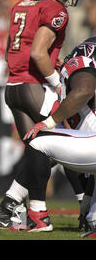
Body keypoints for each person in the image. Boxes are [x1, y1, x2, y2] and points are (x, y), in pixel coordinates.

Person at [0, 0, 83, 229]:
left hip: (14, 86)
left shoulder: (22, 5)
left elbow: (17, 49)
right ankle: (86, 210)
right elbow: (38, 53)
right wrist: (56, 83)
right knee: (67, 141)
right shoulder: (55, 10)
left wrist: (54, 62)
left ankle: (10, 207)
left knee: (37, 151)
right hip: (34, 87)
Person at [12, 37, 96, 236]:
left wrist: (48, 122)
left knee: (38, 140)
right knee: (93, 219)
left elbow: (84, 89)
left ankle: (38, 217)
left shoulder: (80, 60)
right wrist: (86, 200)